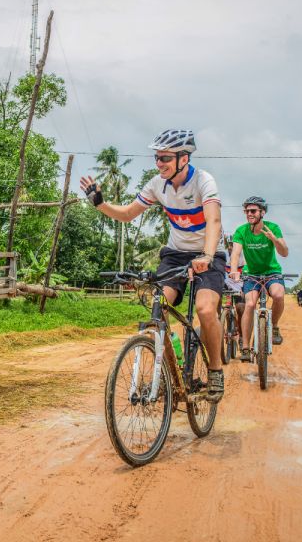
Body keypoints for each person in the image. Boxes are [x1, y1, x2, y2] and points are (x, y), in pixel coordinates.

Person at [79, 129, 226, 401]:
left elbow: (214, 222)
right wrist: (99, 203)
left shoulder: (204, 181)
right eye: (157, 158)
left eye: (165, 158)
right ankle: (175, 367)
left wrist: (206, 256)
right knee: (159, 308)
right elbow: (127, 214)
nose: (159, 164)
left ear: (184, 158)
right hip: (175, 254)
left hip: (210, 253)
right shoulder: (157, 184)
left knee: (206, 310)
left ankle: (216, 370)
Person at [229, 196, 289, 351]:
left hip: (272, 272)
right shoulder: (241, 231)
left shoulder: (273, 228)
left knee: (278, 295)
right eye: (247, 211)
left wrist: (274, 239)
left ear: (262, 212)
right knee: (249, 304)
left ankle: (274, 326)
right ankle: (246, 347)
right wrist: (234, 270)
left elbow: (284, 253)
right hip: (251, 274)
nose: (249, 213)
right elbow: (235, 253)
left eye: (253, 211)